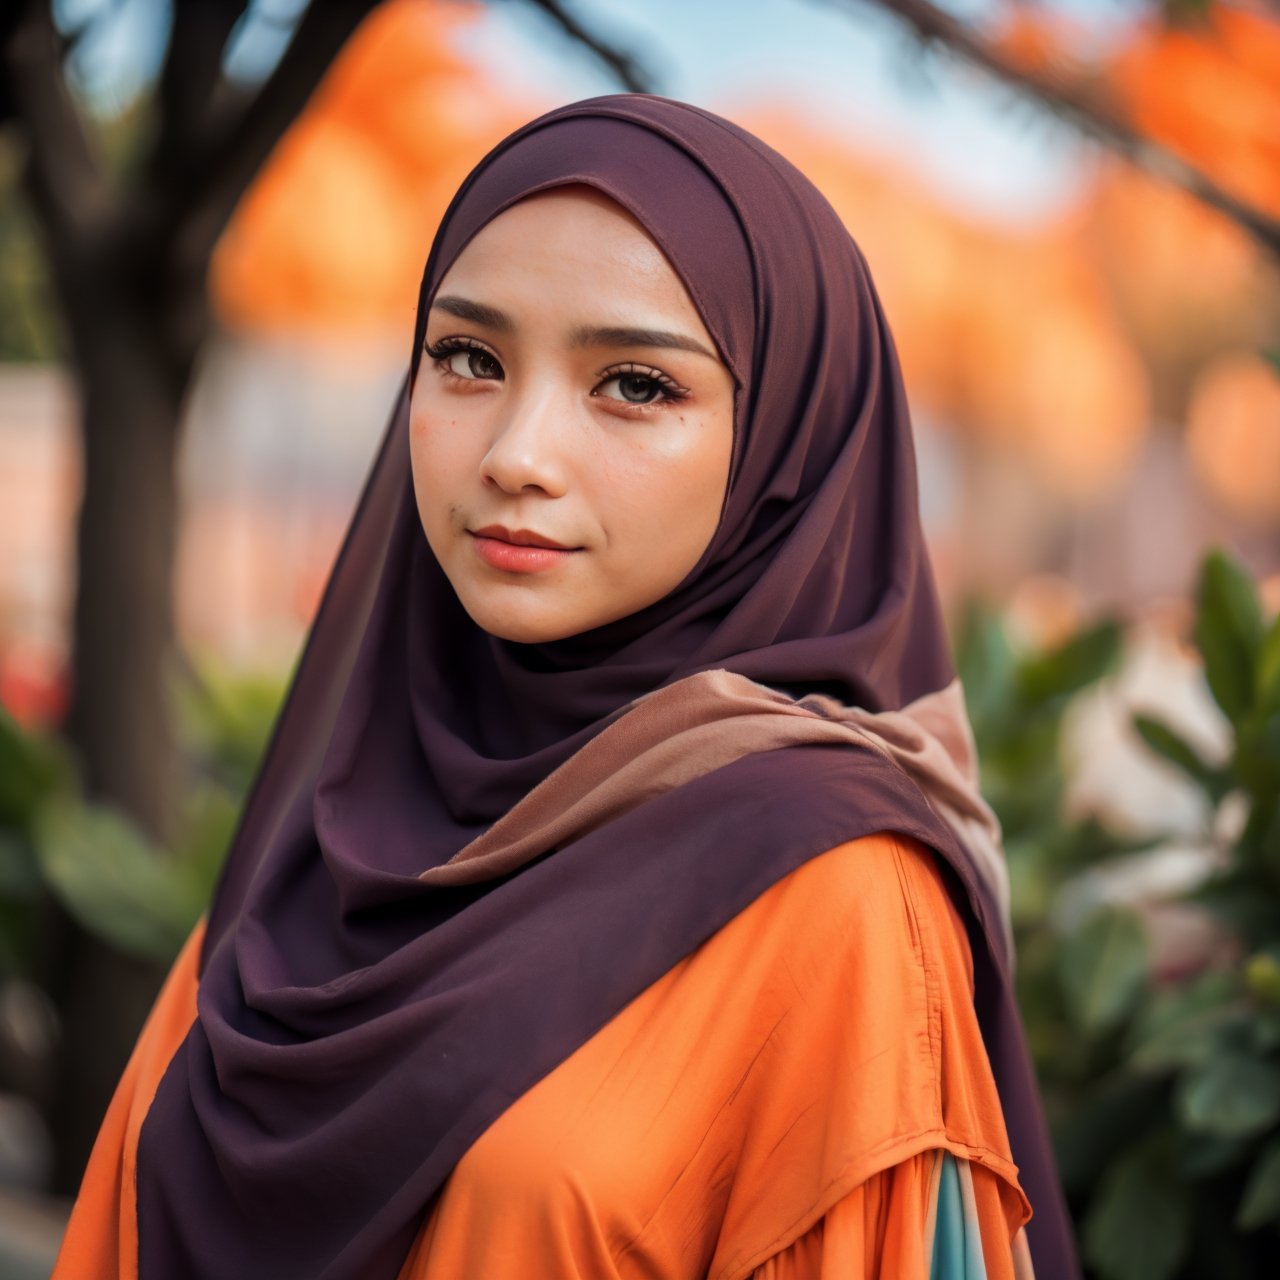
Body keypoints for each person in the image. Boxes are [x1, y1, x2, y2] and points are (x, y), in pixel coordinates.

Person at [52, 95, 1079, 1280]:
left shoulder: (834, 894)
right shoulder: (339, 827)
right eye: (468, 358)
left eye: (635, 384)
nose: (516, 453)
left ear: (785, 455)